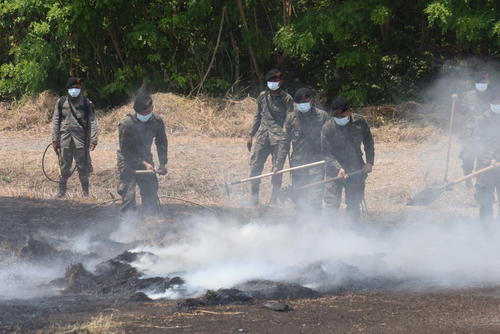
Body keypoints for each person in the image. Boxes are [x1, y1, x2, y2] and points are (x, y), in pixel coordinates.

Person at [321, 96, 374, 221]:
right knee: (331, 205)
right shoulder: (328, 127)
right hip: (334, 171)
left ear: (350, 111)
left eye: (341, 115)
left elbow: (369, 142)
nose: (339, 118)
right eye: (336, 116)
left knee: (354, 204)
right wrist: (339, 168)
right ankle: (330, 233)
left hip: (356, 168)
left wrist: (370, 162)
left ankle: (353, 234)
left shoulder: (360, 122)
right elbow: (326, 153)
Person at [275, 88, 329, 210]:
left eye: (305, 101)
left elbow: (331, 139)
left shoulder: (322, 116)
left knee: (315, 199)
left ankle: (315, 226)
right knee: (300, 199)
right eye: (299, 102)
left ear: (312, 100)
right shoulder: (291, 118)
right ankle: (301, 225)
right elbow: (284, 142)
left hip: (317, 164)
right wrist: (278, 164)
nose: (302, 104)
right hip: (297, 165)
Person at [246, 69, 294, 205]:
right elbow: (257, 116)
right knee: (255, 166)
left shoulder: (287, 99)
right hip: (262, 136)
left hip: (279, 139)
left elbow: (289, 120)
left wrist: (285, 138)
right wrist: (251, 134)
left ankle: (274, 199)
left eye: (276, 80)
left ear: (281, 81)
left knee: (276, 169)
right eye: (271, 80)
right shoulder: (262, 96)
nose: (274, 82)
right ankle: (254, 198)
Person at [116, 94, 168, 214]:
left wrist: (163, 164)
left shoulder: (157, 121)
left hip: (145, 156)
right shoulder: (126, 124)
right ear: (136, 111)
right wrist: (144, 163)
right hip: (127, 159)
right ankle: (127, 223)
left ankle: (148, 221)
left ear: (152, 108)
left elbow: (161, 142)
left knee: (150, 191)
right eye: (143, 113)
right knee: (129, 195)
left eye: (148, 112)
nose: (146, 115)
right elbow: (126, 151)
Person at [52, 77, 98, 198]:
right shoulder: (61, 102)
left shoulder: (87, 103)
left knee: (83, 167)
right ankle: (61, 192)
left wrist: (94, 139)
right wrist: (55, 139)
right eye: (72, 88)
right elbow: (56, 121)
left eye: (77, 88)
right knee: (64, 166)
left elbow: (92, 122)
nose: (74, 90)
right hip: (64, 140)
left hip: (81, 141)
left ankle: (85, 193)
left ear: (80, 89)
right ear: (68, 89)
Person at [458, 72, 492, 187]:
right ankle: (468, 179)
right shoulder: (468, 95)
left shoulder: (492, 95)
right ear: (476, 83)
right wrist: (456, 102)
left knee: (484, 158)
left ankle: (481, 183)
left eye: (485, 81)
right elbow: (462, 111)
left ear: (488, 82)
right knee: (467, 157)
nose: (482, 84)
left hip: (487, 132)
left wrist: (485, 116)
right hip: (470, 132)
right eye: (480, 82)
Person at [474, 88, 500, 222]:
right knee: (485, 201)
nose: (498, 103)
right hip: (486, 168)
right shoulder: (482, 119)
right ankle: (486, 233)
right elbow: (478, 141)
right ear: (491, 102)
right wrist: (490, 157)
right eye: (496, 101)